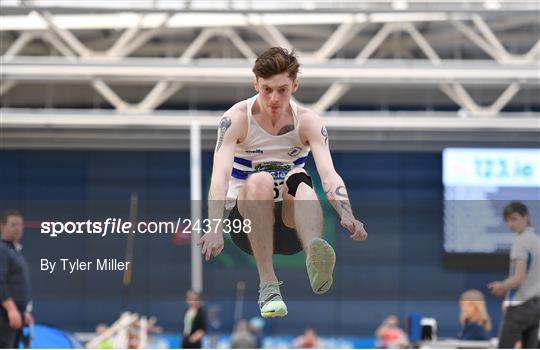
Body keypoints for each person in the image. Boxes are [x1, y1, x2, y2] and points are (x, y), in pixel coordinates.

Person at [198, 46, 368, 318]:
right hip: (248, 226)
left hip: (293, 228)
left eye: (282, 90)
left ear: (295, 86)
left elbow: (329, 175)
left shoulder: (309, 122)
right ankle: (268, 285)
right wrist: (215, 228)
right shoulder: (236, 120)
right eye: (266, 89)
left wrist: (346, 214)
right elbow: (219, 178)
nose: (274, 98)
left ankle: (315, 249)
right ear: (256, 84)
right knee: (261, 180)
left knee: (298, 179)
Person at [488, 201, 540, 348]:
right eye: (507, 220)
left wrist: (502, 286)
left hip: (520, 306)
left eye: (514, 218)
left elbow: (519, 278)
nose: (510, 224)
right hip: (537, 307)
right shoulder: (538, 241)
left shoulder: (521, 242)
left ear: (526, 217)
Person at [0, 209, 33, 348]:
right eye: (13, 224)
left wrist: (24, 311)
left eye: (20, 225)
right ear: (2, 226)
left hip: (15, 318)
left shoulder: (15, 252)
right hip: (3, 317)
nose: (18, 228)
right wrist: (11, 310)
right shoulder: (2, 249)